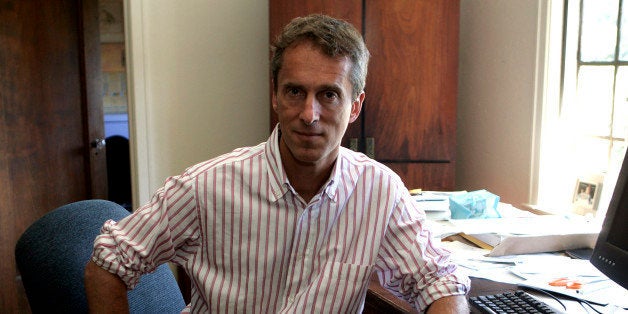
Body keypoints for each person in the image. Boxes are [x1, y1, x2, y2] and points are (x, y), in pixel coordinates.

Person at [84, 14, 470, 313]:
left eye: (329, 95)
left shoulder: (379, 191)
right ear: (275, 96)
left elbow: (440, 280)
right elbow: (109, 263)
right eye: (295, 91)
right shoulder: (205, 187)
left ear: (355, 107)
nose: (309, 114)